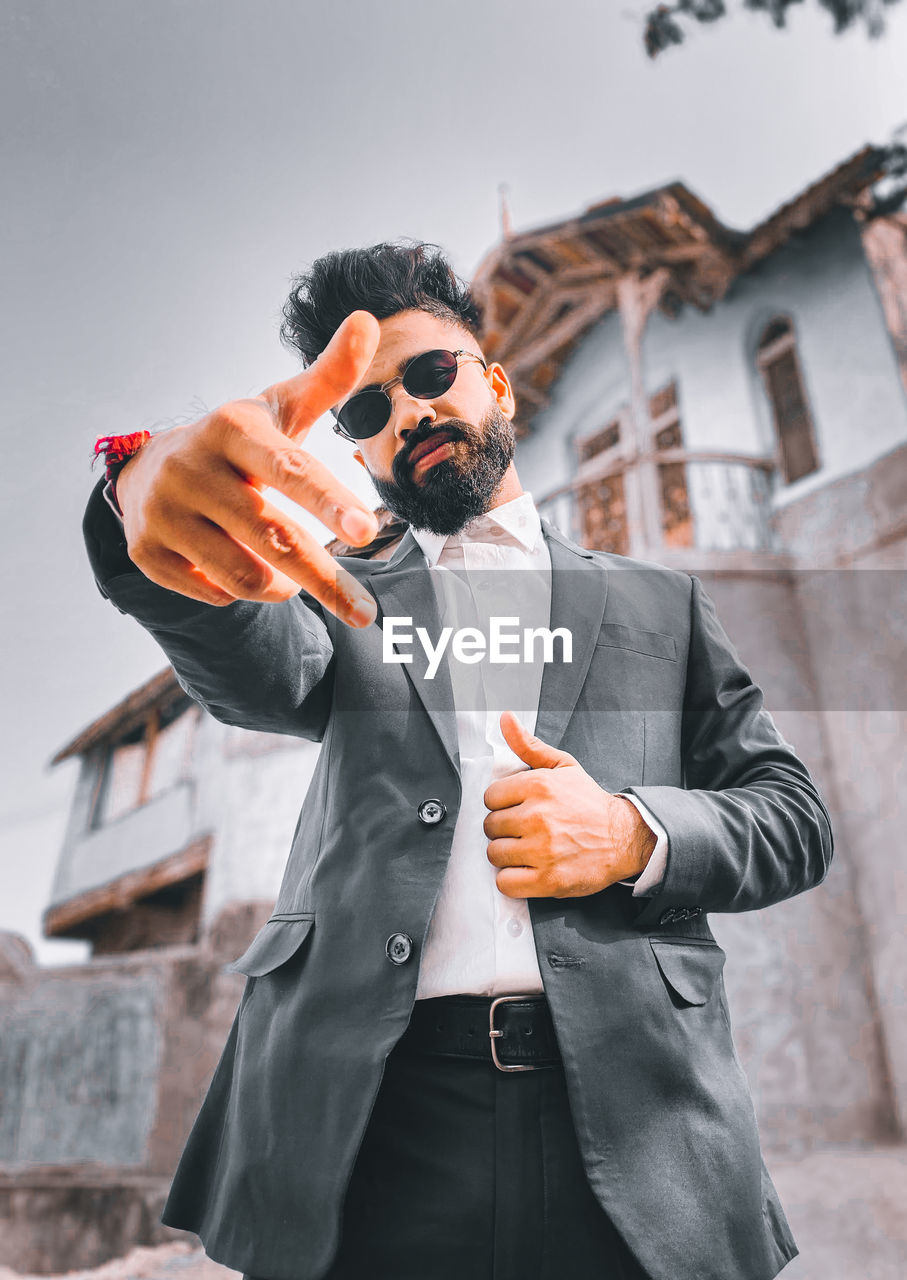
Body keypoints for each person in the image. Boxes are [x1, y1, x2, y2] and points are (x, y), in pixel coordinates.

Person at [82, 241, 833, 1280]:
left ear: (496, 382)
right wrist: (134, 497)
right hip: (372, 1127)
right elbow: (241, 656)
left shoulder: (663, 604)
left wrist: (631, 831)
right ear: (355, 450)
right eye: (367, 408)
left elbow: (792, 815)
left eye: (432, 373)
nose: (408, 412)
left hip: (633, 1112)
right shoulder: (332, 593)